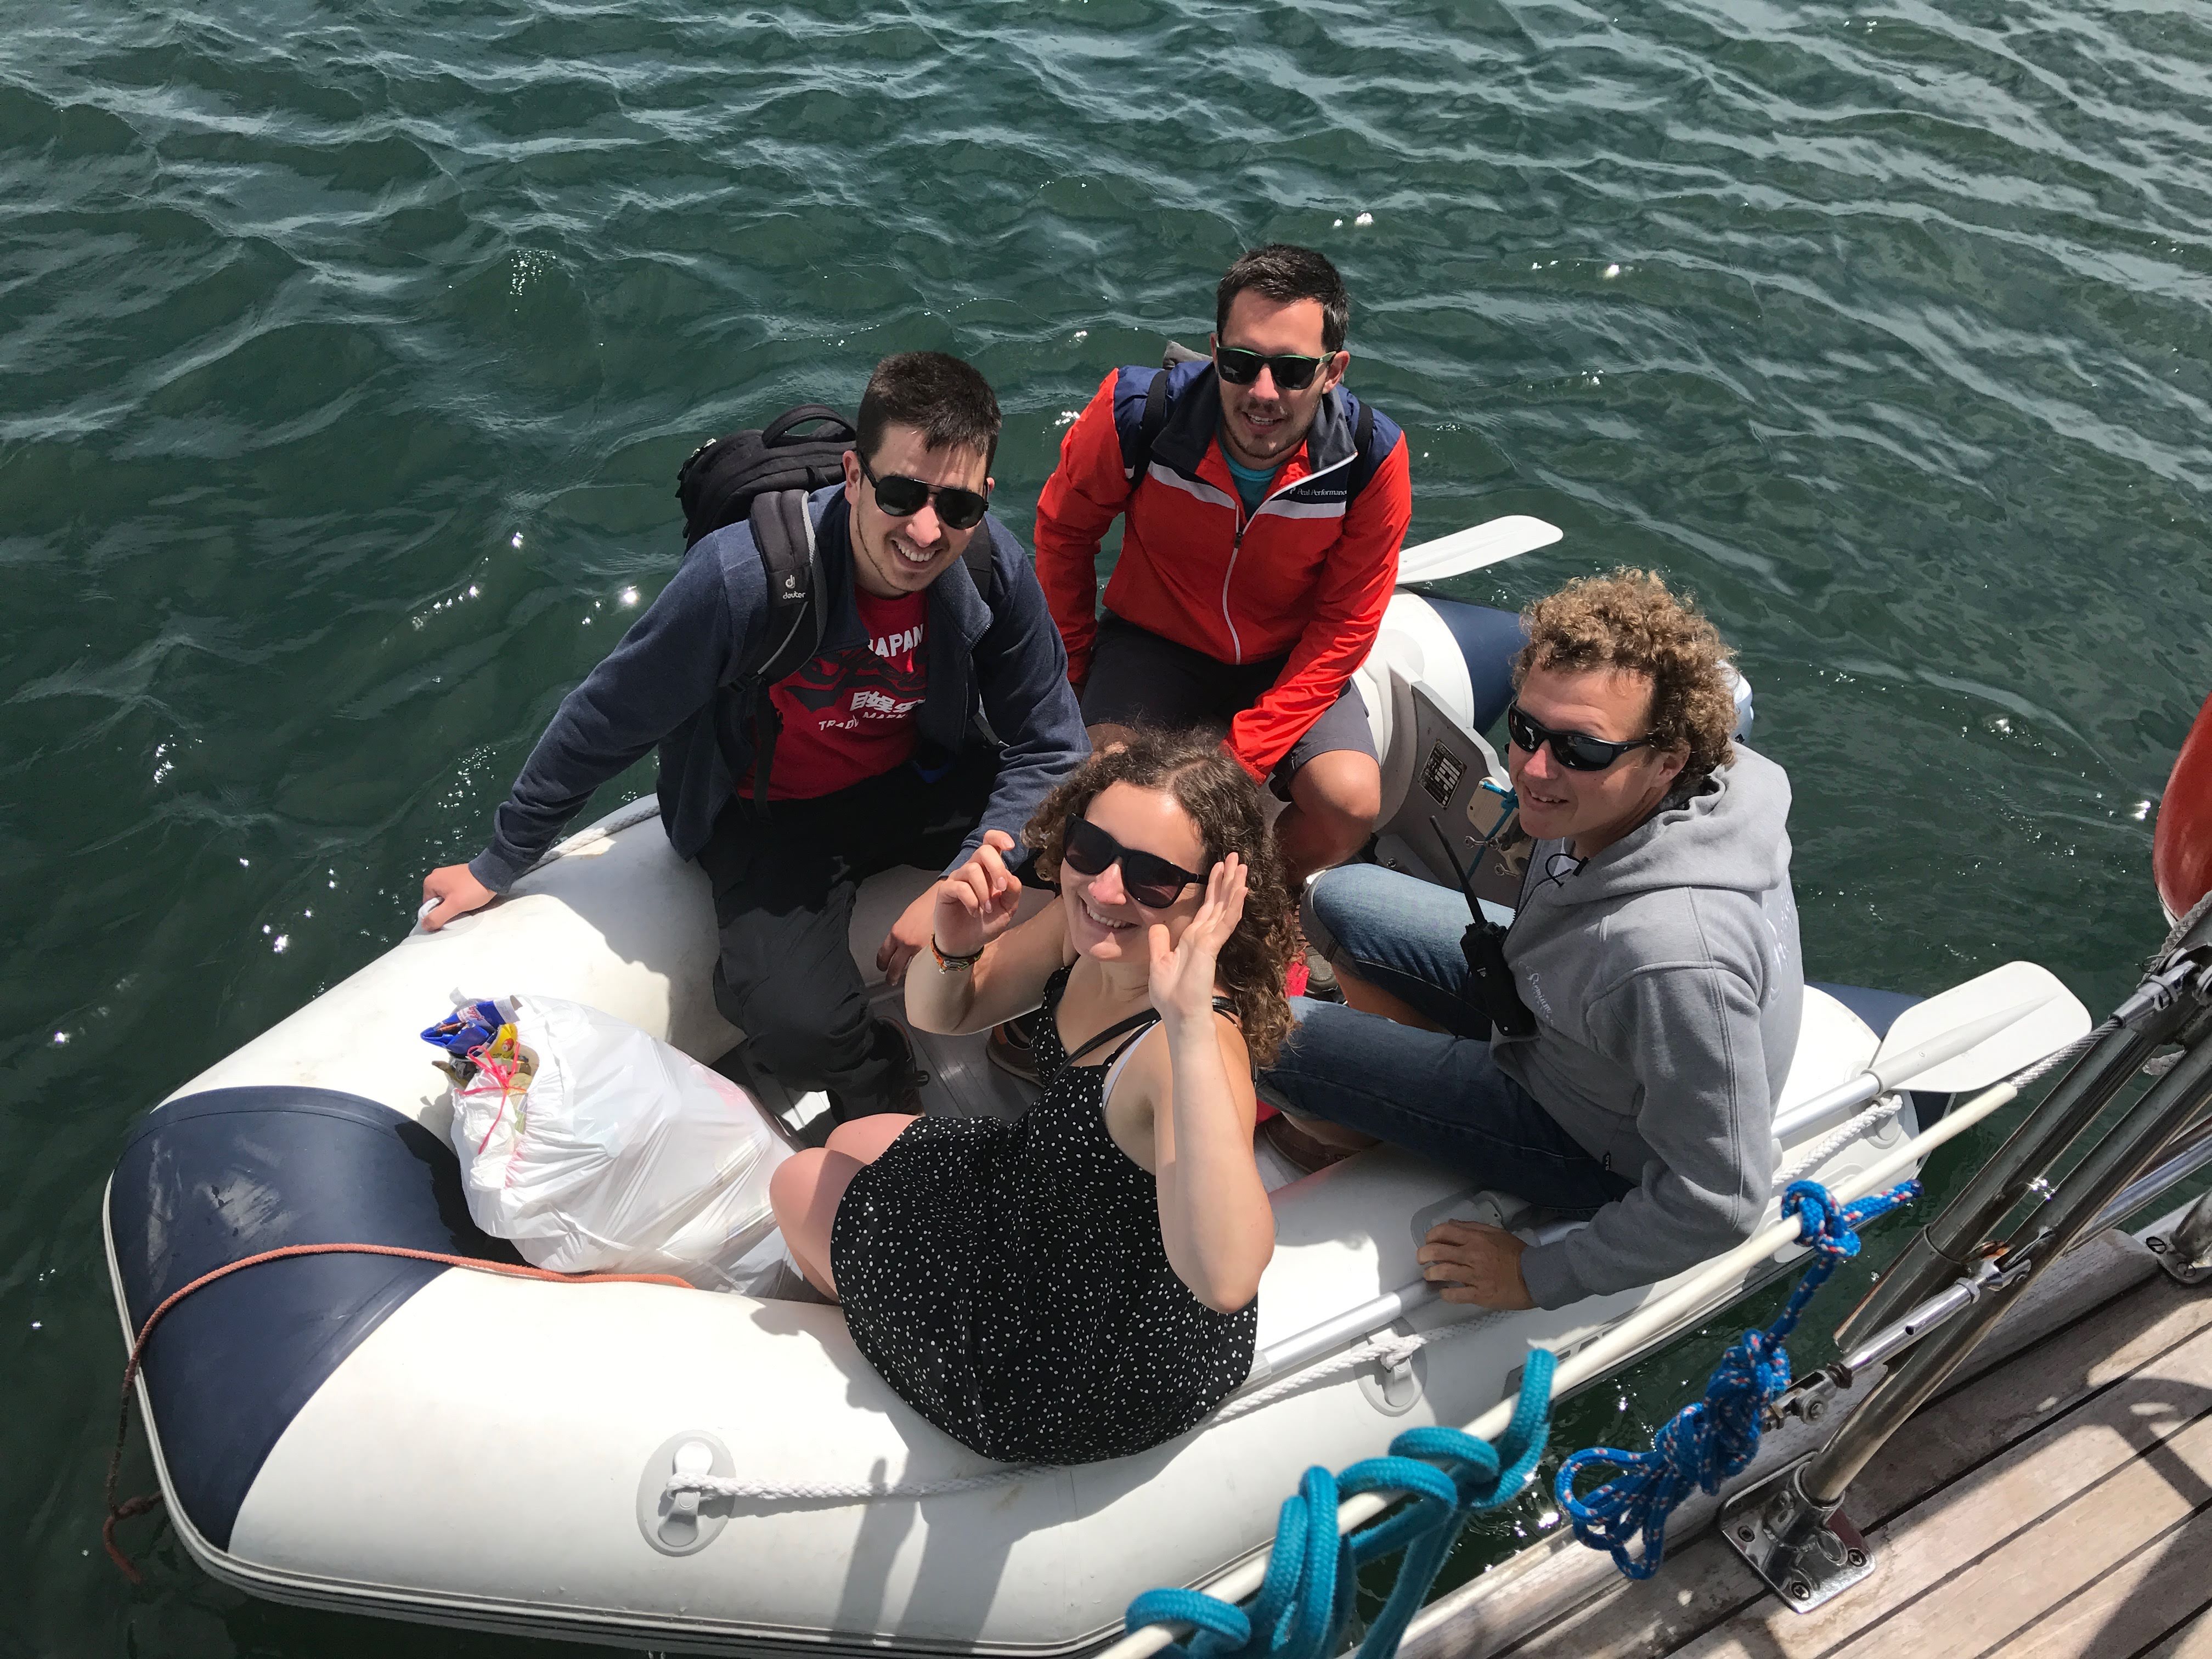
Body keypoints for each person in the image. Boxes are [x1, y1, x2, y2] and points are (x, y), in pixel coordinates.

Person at [419, 352, 1087, 1122]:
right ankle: (880, 1077)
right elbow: (608, 716)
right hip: (776, 814)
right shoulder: (741, 579)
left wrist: (962, 874)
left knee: (1104, 832)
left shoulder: (989, 564)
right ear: (854, 475)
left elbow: (1052, 743)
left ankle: (1045, 1011)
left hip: (920, 774)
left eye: (958, 506)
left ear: (985, 500)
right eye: (901, 494)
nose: (926, 530)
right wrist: (502, 859)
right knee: (796, 1028)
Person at [1260, 571, 1802, 1312]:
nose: (1536, 771)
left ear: (1670, 759)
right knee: (1341, 898)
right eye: (1525, 731)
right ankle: (1378, 1111)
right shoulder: (1642, 797)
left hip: (1588, 1138)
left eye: (1582, 751)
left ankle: (1363, 1114)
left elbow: (1723, 1198)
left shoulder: (1673, 958)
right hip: (1556, 1012)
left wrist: (1535, 1277)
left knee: (1264, 1035)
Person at [767, 733, 1291, 1464]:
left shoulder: (1191, 1047)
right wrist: (954, 948)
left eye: (1152, 877)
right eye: (1090, 849)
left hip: (1080, 1354)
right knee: (853, 1140)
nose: (1105, 888)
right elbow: (942, 1013)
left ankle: (869, 1337)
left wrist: (1189, 1025)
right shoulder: (1090, 934)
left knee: (796, 1182)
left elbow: (1226, 1280)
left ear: (1214, 899)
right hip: (1045, 1200)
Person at [1032, 244, 1413, 894]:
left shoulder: (1370, 458)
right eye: (1241, 363)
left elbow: (1346, 625)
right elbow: (1064, 535)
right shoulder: (1137, 413)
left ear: (1333, 371)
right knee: (1107, 784)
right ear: (1215, 352)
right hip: (1154, 642)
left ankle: (1253, 904)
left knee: (1349, 804)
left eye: (1292, 371)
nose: (1263, 392)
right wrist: (1071, 675)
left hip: (1283, 657)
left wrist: (1242, 758)